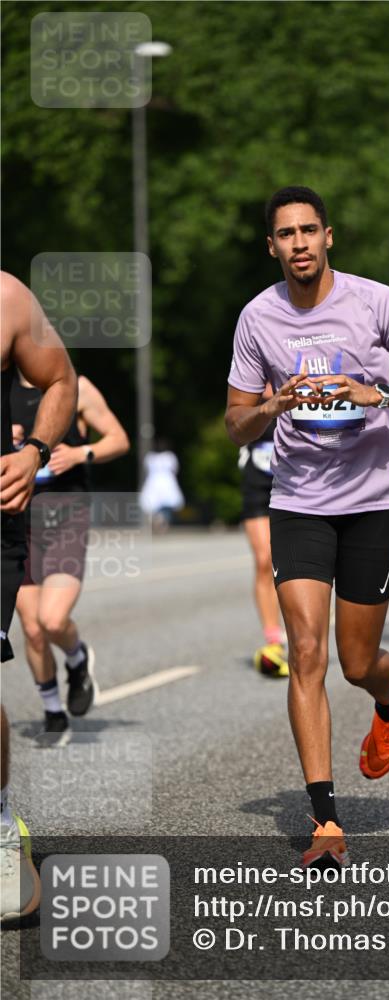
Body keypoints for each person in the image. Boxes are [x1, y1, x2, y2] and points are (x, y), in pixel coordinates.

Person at [225, 186, 389, 864]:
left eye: (308, 231)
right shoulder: (256, 319)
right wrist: (272, 405)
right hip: (296, 498)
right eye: (284, 234)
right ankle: (325, 820)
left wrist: (378, 393)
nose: (298, 243)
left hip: (373, 497)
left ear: (328, 236)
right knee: (306, 651)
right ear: (270, 246)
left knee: (357, 663)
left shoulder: (375, 301)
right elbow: (234, 419)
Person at [1, 270, 78, 921]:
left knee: (42, 624)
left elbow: (61, 378)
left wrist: (38, 455)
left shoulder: (6, 297)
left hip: (4, 514)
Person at [12, 371, 130, 748]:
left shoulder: (74, 386)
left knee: (52, 618)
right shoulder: (3, 391)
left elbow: (119, 439)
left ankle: (77, 659)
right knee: (31, 629)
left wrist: (82, 452)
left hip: (66, 512)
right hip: (16, 517)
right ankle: (52, 711)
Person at [238, 388, 289, 677]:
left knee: (299, 561)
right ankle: (273, 640)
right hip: (258, 484)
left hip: (299, 484)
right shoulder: (249, 382)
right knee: (263, 560)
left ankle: (304, 633)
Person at [139, 439, 184, 531]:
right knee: (163, 502)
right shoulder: (170, 457)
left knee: (156, 502)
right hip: (166, 482)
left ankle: (159, 520)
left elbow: (146, 470)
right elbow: (175, 469)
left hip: (155, 482)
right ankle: (161, 520)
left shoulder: (151, 457)